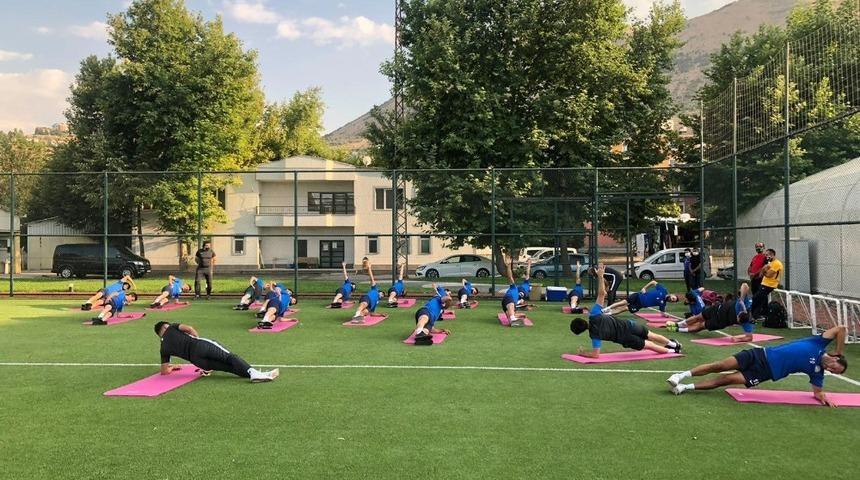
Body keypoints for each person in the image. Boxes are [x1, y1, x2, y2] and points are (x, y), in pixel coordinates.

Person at [667, 326, 848, 406]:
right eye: (835, 367)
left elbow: (817, 392)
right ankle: (680, 375)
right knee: (719, 365)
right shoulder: (819, 343)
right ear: (835, 358)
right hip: (759, 354)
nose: (831, 370)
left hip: (764, 372)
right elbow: (841, 329)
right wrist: (839, 351)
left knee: (725, 380)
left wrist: (823, 397)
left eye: (834, 372)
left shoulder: (817, 372)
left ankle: (684, 387)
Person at [569, 264, 681, 358]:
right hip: (629, 325)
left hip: (625, 338)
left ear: (581, 332)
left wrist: (583, 353)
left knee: (650, 345)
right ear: (583, 320)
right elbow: (602, 294)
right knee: (652, 335)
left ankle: (673, 351)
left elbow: (595, 355)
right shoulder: (594, 314)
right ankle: (674, 344)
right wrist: (600, 277)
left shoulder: (594, 335)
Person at [154, 321, 279, 382]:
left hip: (197, 361)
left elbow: (164, 371)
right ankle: (254, 373)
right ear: (165, 327)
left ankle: (256, 375)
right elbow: (189, 329)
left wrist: (173, 367)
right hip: (200, 346)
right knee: (229, 357)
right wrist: (197, 340)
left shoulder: (163, 348)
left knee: (229, 368)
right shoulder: (171, 327)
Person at [665, 291, 751, 335]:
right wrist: (742, 301)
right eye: (737, 317)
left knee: (701, 326)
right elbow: (745, 285)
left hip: (719, 322)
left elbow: (748, 337)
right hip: (716, 309)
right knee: (698, 317)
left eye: (738, 321)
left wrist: (737, 339)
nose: (736, 320)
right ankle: (678, 324)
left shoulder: (747, 323)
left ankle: (678, 329)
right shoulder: (744, 304)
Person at [605, 280, 679, 317]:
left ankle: (607, 314)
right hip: (638, 296)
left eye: (672, 301)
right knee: (622, 302)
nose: (671, 300)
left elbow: (662, 312)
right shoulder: (663, 290)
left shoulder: (663, 304)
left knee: (624, 309)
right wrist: (644, 288)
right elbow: (653, 282)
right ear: (672, 295)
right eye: (673, 298)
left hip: (639, 305)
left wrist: (666, 315)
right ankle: (606, 309)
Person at [751, 248, 783, 321]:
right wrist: (764, 269)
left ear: (772, 255)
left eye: (767, 255)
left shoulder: (777, 263)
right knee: (761, 298)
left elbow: (769, 275)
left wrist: (764, 270)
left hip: (770, 285)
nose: (766, 256)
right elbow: (761, 275)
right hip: (764, 284)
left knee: (756, 298)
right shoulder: (769, 263)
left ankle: (755, 315)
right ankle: (762, 314)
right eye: (765, 255)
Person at [351, 259, 385, 323]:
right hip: (367, 298)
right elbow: (372, 279)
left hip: (370, 305)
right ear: (379, 292)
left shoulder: (376, 303)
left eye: (383, 295)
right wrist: (369, 268)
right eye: (382, 293)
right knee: (364, 304)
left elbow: (372, 313)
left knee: (366, 312)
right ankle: (357, 314)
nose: (382, 295)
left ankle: (358, 318)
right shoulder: (375, 289)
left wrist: (380, 314)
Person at [501, 262, 526, 327]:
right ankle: (513, 318)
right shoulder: (514, 287)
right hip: (508, 298)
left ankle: (512, 319)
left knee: (512, 313)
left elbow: (520, 305)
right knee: (511, 305)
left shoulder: (517, 300)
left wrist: (523, 310)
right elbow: (510, 277)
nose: (521, 294)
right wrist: (508, 266)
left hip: (507, 304)